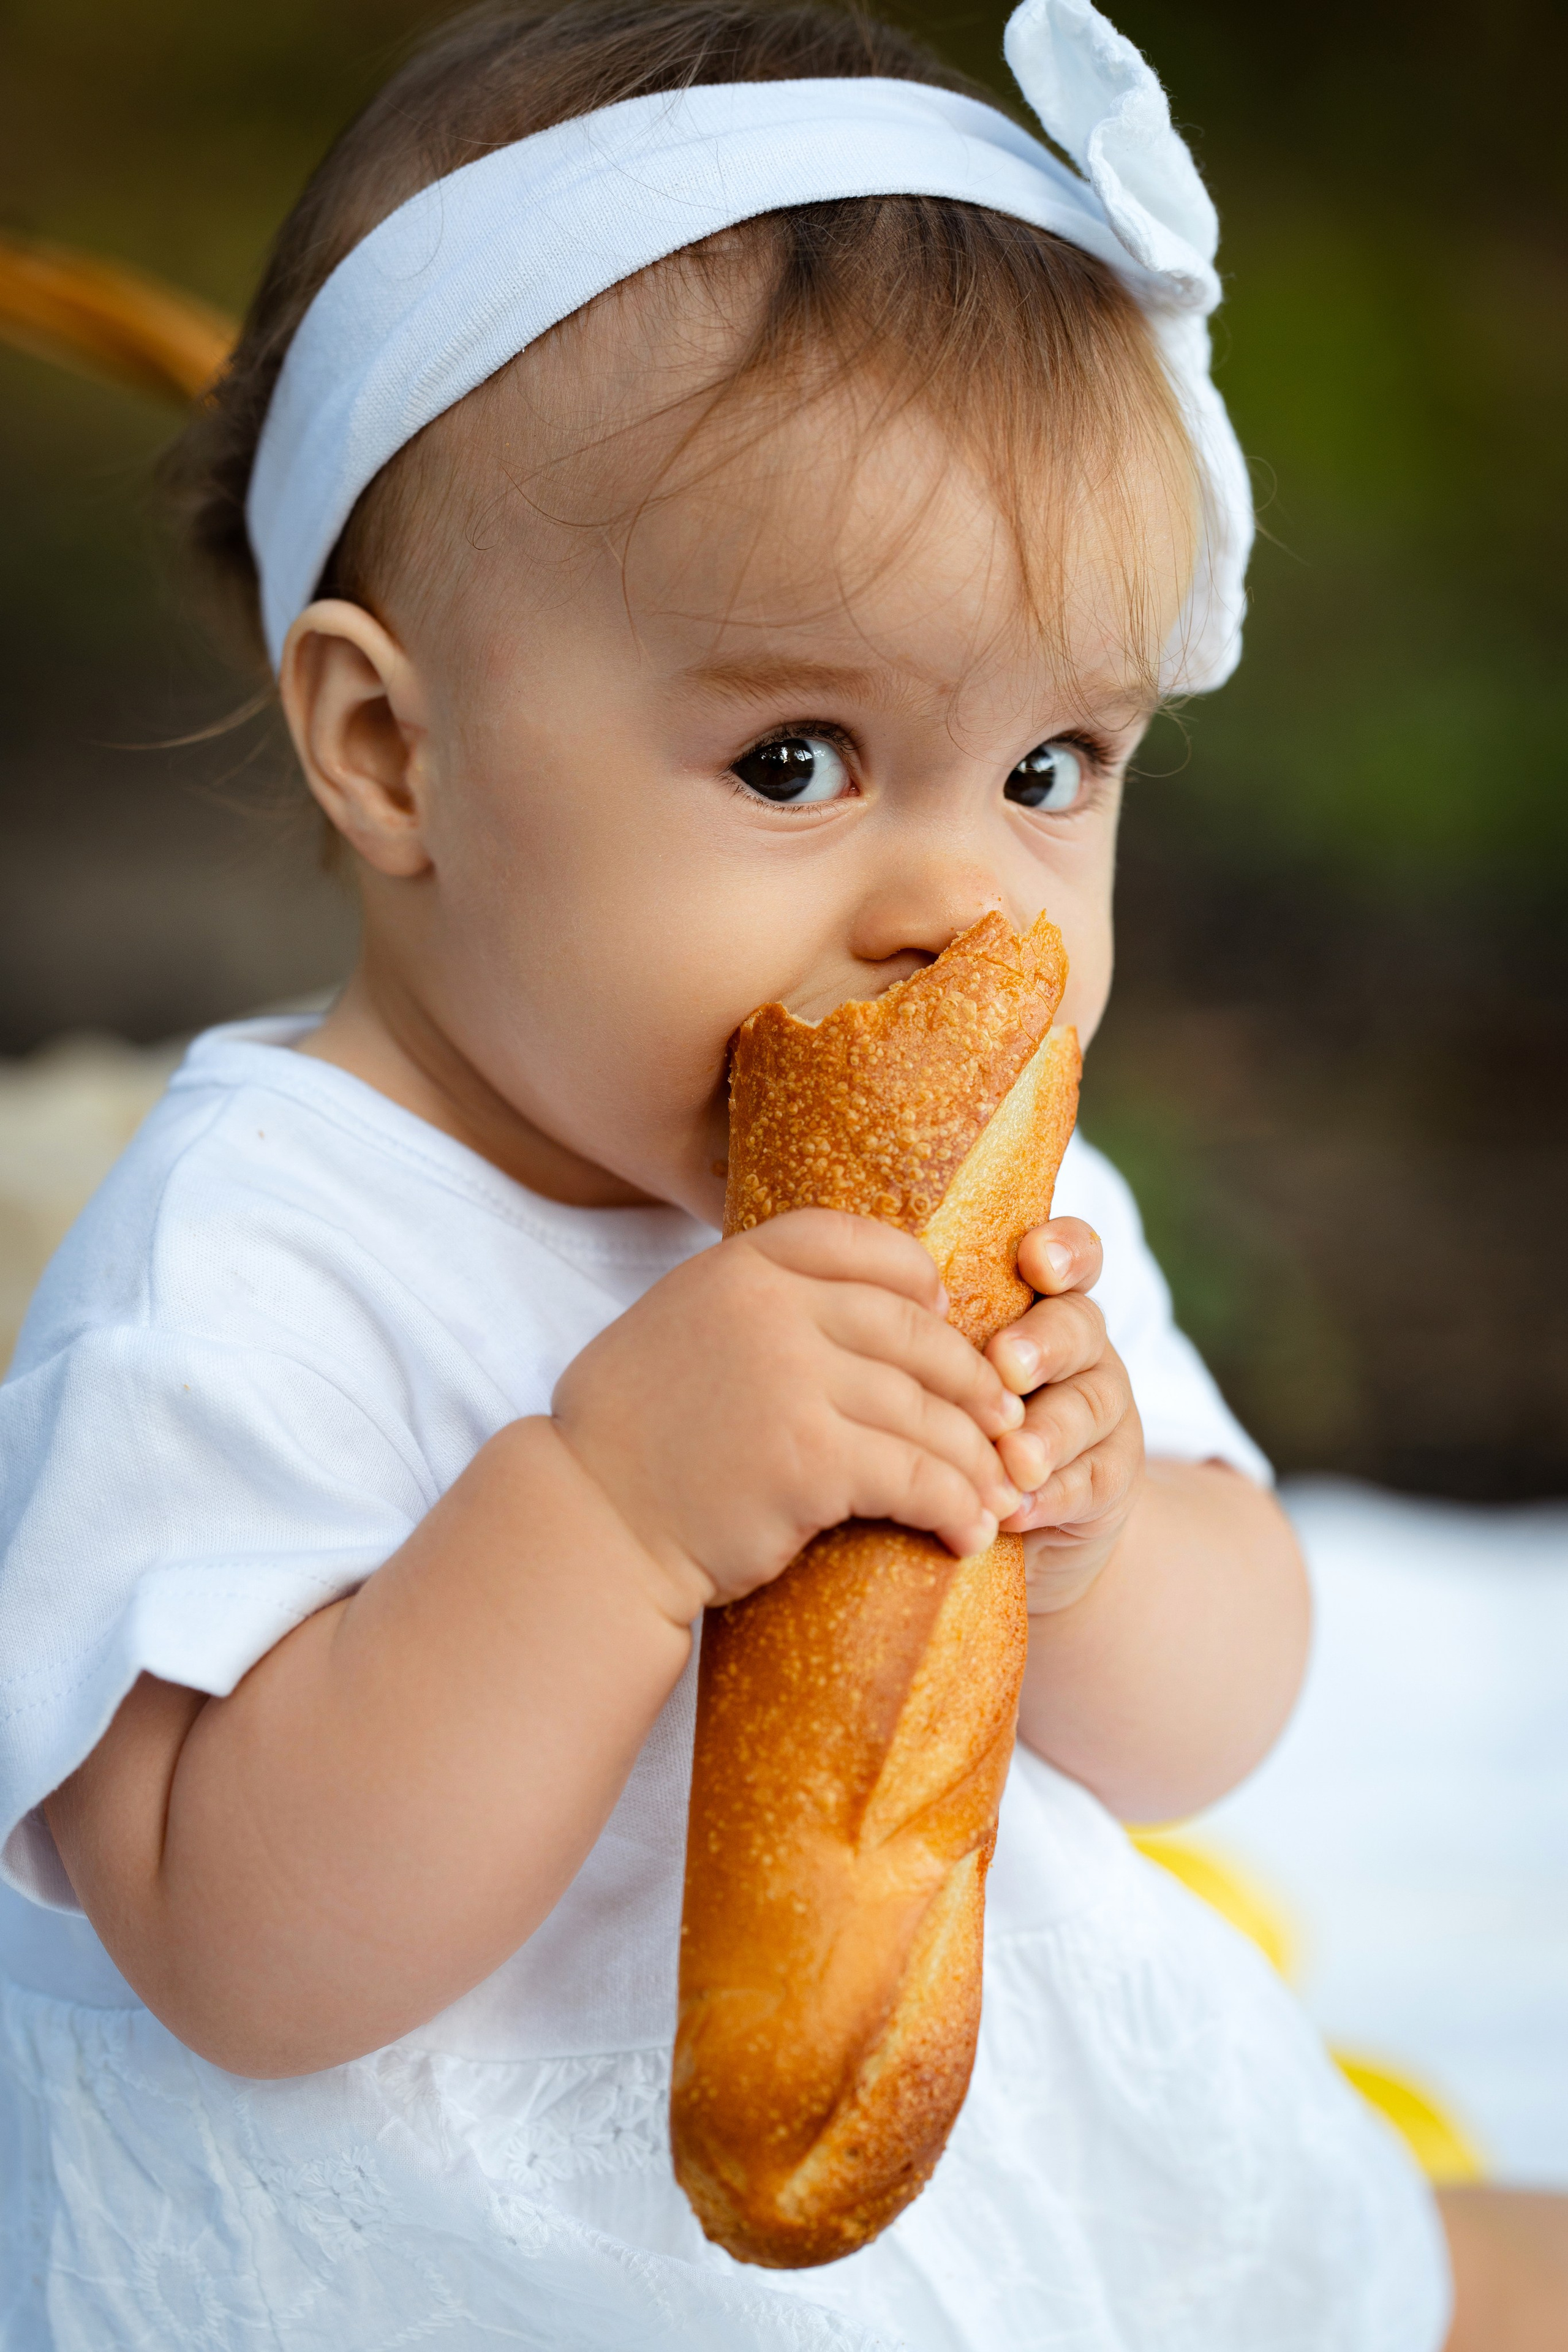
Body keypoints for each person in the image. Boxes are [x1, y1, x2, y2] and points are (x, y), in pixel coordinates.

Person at [0, 1, 1561, 2343]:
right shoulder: (253, 1254)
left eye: (1054, 769)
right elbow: (231, 1946)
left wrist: (1111, 1544)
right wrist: (607, 1517)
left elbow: (1225, 1718)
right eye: (802, 753)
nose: (967, 908)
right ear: (389, 751)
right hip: (494, 2269)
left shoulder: (1020, 1217)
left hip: (1013, 2165)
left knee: (1434, 2262)